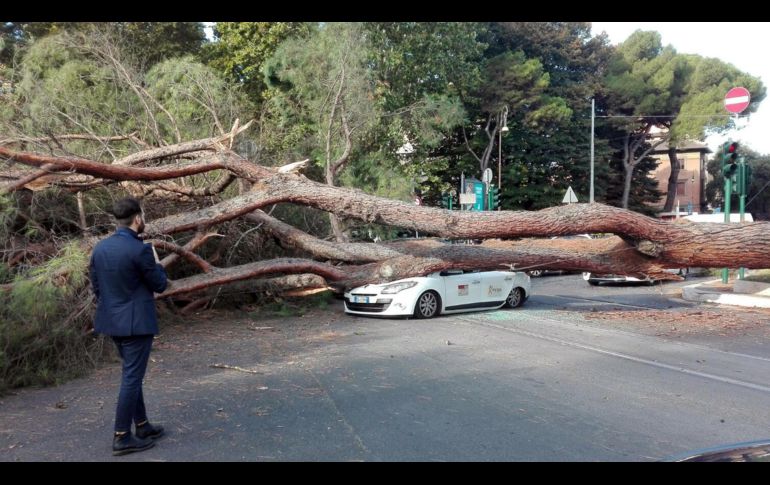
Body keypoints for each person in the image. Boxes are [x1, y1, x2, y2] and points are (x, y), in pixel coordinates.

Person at [89, 197, 168, 456]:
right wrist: (157, 263)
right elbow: (159, 284)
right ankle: (122, 436)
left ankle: (142, 426)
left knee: (131, 376)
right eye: (143, 216)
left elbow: (97, 288)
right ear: (137, 218)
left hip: (112, 322)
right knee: (131, 379)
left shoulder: (99, 249)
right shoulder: (140, 249)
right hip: (136, 325)